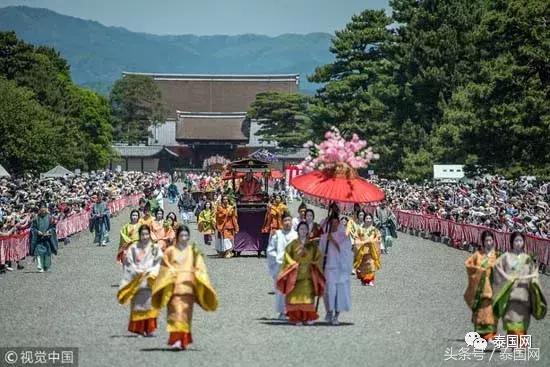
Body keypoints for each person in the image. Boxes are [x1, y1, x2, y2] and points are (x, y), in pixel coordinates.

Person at [152, 225, 218, 350]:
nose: (184, 238)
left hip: (188, 289)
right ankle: (175, 339)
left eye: (186, 235)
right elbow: (164, 267)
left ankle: (183, 340)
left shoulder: (193, 251)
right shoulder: (170, 251)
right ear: (177, 236)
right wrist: (171, 272)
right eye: (181, 235)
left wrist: (197, 275)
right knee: (175, 313)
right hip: (174, 288)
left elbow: (201, 268)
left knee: (186, 315)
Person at [493, 232, 547, 336]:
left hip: (524, 296)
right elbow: (496, 266)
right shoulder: (506, 256)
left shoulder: (527, 258)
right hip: (510, 295)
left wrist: (525, 278)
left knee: (522, 323)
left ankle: (519, 346)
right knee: (511, 323)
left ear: (523, 243)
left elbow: (534, 274)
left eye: (520, 241)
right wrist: (506, 276)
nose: (518, 243)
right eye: (516, 241)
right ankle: (513, 346)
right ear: (512, 242)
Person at [117, 225, 163, 337]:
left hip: (150, 280)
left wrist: (152, 272)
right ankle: (139, 329)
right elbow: (128, 263)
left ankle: (150, 329)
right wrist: (137, 271)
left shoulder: (155, 248)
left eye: (147, 234)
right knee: (138, 305)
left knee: (150, 305)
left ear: (150, 235)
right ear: (139, 235)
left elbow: (159, 263)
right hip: (137, 280)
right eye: (143, 234)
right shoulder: (133, 248)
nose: (145, 236)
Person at [276, 221, 325, 325]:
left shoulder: (312, 245)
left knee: (307, 297)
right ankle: (296, 318)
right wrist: (293, 265)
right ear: (298, 230)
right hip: (295, 275)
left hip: (308, 275)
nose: (303, 230)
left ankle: (308, 317)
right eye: (301, 229)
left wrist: (314, 264)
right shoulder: (293, 244)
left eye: (305, 229)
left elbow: (318, 257)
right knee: (295, 297)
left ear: (307, 231)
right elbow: (287, 256)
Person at [463, 230, 498, 341]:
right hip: (480, 290)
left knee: (490, 314)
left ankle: (489, 336)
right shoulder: (477, 256)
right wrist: (479, 271)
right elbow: (468, 266)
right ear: (483, 242)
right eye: (486, 240)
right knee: (480, 313)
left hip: (492, 290)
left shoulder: (496, 256)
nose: (488, 242)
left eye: (490, 240)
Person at [320, 215, 353, 325]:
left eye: (336, 222)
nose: (334, 225)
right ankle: (329, 311)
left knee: (339, 292)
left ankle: (336, 315)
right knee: (328, 292)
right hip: (329, 268)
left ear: (338, 224)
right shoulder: (324, 237)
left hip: (340, 268)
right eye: (332, 223)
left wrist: (333, 241)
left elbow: (345, 252)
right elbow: (320, 252)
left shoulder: (344, 236)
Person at [266, 211, 298, 320]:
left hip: (293, 266)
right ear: (281, 222)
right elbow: (270, 251)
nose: (287, 223)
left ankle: (292, 310)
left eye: (289, 220)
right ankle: (282, 312)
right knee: (281, 291)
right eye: (285, 220)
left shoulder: (296, 235)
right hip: (280, 266)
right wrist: (278, 258)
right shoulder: (278, 235)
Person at [353, 213, 382, 286]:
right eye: (367, 218)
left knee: (371, 264)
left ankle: (370, 280)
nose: (368, 220)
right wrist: (362, 242)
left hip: (372, 249)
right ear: (364, 219)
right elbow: (356, 238)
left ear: (372, 220)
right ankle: (364, 280)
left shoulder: (375, 230)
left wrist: (373, 241)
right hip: (362, 249)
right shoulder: (360, 229)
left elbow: (378, 239)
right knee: (363, 265)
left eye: (370, 218)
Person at [30, 202, 58, 272]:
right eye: (41, 209)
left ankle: (46, 266)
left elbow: (53, 227)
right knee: (38, 252)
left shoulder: (50, 217)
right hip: (39, 238)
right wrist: (37, 232)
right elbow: (33, 228)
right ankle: (40, 266)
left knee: (47, 253)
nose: (43, 210)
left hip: (47, 238)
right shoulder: (36, 218)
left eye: (44, 209)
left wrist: (49, 231)